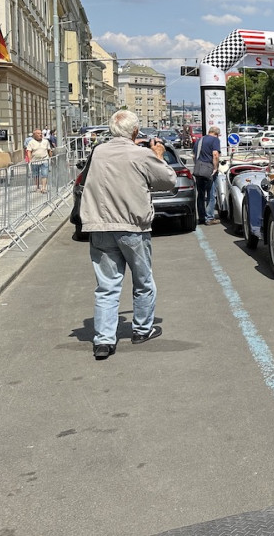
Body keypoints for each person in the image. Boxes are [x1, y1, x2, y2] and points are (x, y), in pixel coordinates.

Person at [80, 110, 177, 360]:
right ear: (135, 132)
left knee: (107, 286)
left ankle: (103, 340)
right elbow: (168, 181)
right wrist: (158, 155)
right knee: (143, 281)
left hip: (100, 226)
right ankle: (142, 330)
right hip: (133, 227)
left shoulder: (98, 152)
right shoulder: (141, 154)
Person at [194, 126, 221, 225]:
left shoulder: (199, 140)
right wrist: (215, 168)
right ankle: (209, 218)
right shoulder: (214, 140)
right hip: (208, 170)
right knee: (211, 194)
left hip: (198, 169)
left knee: (200, 195)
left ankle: (201, 217)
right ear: (216, 134)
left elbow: (194, 155)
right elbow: (215, 155)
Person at [25, 128, 52, 193]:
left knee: (44, 174)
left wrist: (51, 157)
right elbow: (29, 151)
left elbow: (49, 150)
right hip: (35, 161)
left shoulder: (46, 141)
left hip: (44, 160)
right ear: (34, 135)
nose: (40, 135)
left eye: (41, 133)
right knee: (35, 174)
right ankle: (37, 187)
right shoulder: (31, 142)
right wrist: (30, 159)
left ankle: (43, 188)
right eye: (38, 133)